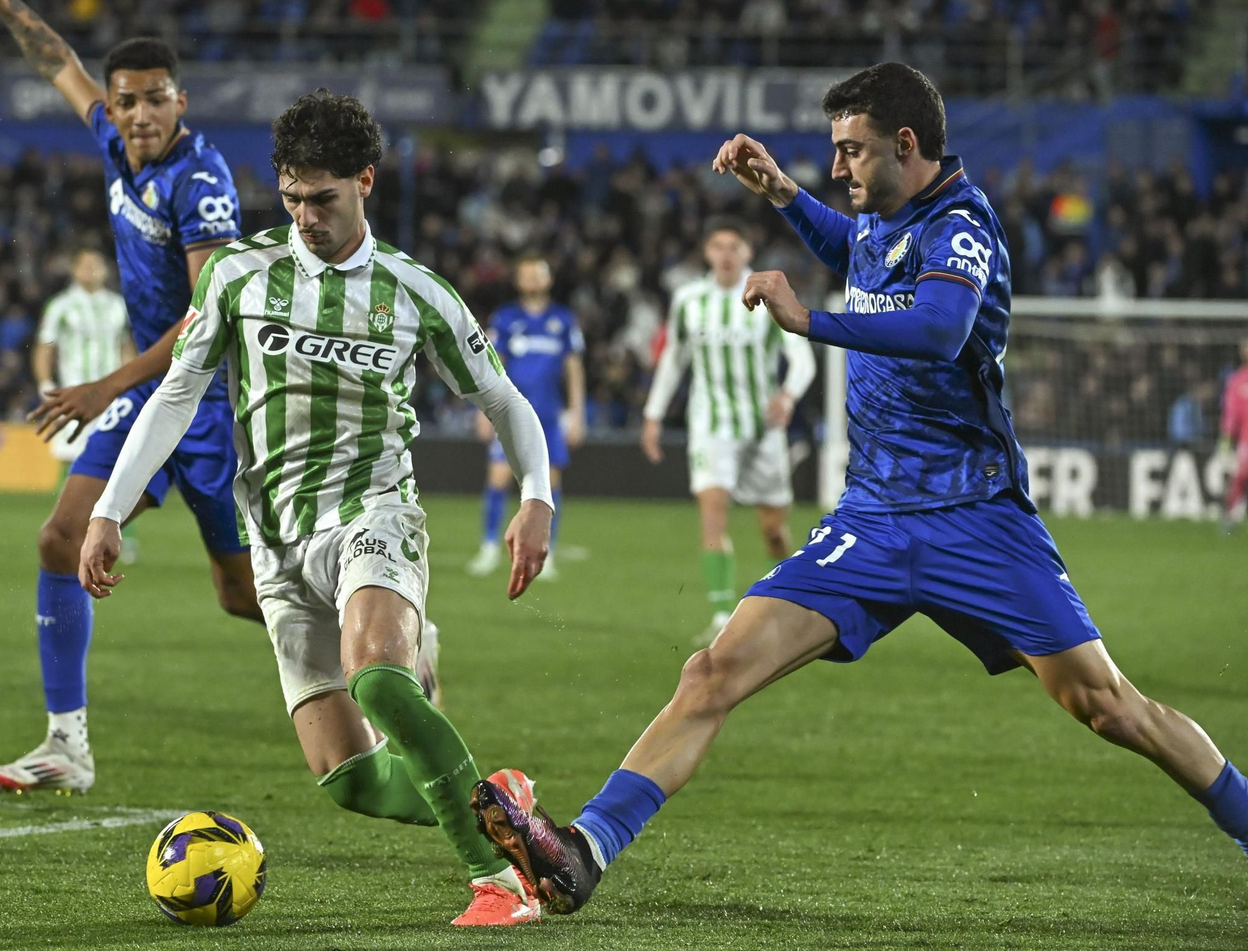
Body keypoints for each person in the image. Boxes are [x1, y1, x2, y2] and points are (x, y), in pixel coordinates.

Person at [467, 62, 1248, 914]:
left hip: (974, 520)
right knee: (713, 670)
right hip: (870, 521)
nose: (840, 169)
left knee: (1112, 709)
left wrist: (810, 321)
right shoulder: (885, 219)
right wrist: (782, 195)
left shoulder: (963, 225)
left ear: (905, 145)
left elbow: (942, 327)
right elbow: (855, 249)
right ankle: (585, 850)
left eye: (852, 152)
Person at [79, 90, 553, 927]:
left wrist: (536, 498)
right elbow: (177, 393)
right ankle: (497, 798)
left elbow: (505, 401)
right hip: (275, 542)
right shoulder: (238, 274)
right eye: (292, 197)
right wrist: (109, 510)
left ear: (365, 182)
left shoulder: (416, 292)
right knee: (352, 780)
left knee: (381, 679)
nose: (305, 216)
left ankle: (501, 883)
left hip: (374, 514)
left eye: (323, 199)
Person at [0, 0, 263, 795]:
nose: (141, 113)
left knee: (242, 594)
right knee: (57, 539)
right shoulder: (117, 149)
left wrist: (100, 385)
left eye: (158, 99)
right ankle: (66, 745)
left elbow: (209, 318)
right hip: (146, 399)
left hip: (211, 405)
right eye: (128, 102)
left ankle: (384, 642)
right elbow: (56, 58)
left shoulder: (200, 182)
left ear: (180, 102)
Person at [640, 220, 816, 644]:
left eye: (733, 245)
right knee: (713, 516)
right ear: (706, 252)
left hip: (763, 429)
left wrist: (788, 396)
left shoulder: (768, 296)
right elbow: (674, 361)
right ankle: (722, 615)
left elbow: (802, 356)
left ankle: (797, 605)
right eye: (717, 245)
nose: (725, 253)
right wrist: (653, 415)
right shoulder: (688, 300)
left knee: (774, 531)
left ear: (747, 253)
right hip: (711, 425)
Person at [467, 253, 585, 582]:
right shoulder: (505, 318)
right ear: (518, 281)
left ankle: (545, 551)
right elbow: (492, 364)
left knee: (550, 484)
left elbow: (574, 369)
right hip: (511, 414)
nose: (533, 280)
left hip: (548, 415)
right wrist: (483, 411)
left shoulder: (563, 319)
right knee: (498, 479)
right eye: (527, 275)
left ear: (548, 279)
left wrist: (577, 414)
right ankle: (489, 547)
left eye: (539, 274)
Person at [33, 248, 134, 466]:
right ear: (74, 270)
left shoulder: (118, 305)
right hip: (74, 390)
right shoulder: (60, 305)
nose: (91, 270)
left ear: (106, 271)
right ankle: (66, 500)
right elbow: (46, 345)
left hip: (111, 392)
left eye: (96, 265)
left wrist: (130, 385)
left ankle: (103, 501)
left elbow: (124, 347)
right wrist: (45, 384)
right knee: (70, 453)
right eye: (85, 265)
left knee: (113, 456)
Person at [1222, 340, 1248, 533]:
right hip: (1246, 441)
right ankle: (1230, 517)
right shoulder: (1237, 381)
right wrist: (1225, 442)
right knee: (1238, 477)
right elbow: (1231, 416)